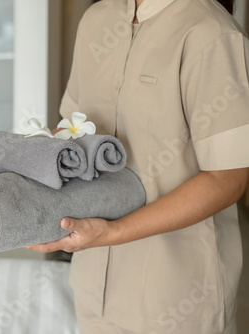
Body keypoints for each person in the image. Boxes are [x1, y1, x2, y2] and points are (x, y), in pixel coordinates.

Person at [26, 0, 249, 333]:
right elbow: (70, 130)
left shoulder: (210, 34)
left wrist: (113, 232)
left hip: (176, 300)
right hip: (92, 289)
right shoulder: (95, 22)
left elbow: (227, 178)